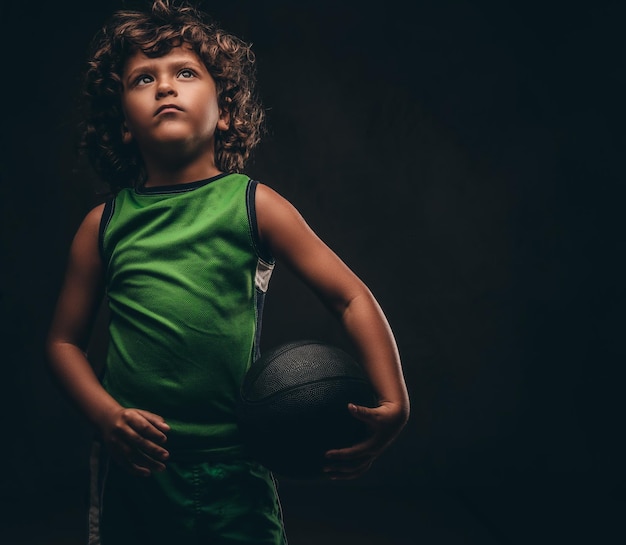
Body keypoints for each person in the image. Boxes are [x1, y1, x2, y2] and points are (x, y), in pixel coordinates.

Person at [46, 1, 410, 543]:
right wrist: (106, 415)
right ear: (123, 124)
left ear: (226, 112)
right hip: (140, 468)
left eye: (185, 73)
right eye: (143, 78)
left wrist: (394, 400)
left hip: (236, 465)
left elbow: (349, 298)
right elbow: (62, 343)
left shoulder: (255, 206)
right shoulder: (103, 225)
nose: (164, 86)